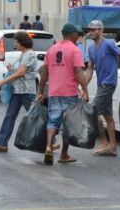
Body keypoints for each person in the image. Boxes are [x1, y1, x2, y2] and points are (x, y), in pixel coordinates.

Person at [38, 24, 89, 165]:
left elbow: (44, 73)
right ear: (72, 35)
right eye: (77, 35)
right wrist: (85, 89)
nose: (78, 37)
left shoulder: (51, 49)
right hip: (70, 92)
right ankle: (64, 154)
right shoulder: (74, 50)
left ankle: (48, 146)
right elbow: (78, 72)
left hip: (54, 92)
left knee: (53, 121)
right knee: (68, 124)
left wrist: (41, 91)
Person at [85, 20, 120, 156]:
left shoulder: (109, 44)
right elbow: (90, 69)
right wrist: (82, 87)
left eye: (93, 29)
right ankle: (112, 147)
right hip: (101, 84)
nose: (90, 32)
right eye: (89, 30)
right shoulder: (90, 48)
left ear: (101, 30)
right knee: (108, 116)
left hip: (109, 83)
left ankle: (103, 141)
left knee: (93, 110)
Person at [0, 31, 38, 153]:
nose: (15, 44)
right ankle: (1, 143)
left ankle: (50, 142)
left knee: (35, 117)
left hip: (27, 91)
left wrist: (2, 82)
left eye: (16, 41)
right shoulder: (23, 54)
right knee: (9, 117)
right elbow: (19, 71)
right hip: (17, 91)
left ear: (22, 42)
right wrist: (11, 69)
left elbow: (21, 73)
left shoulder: (30, 54)